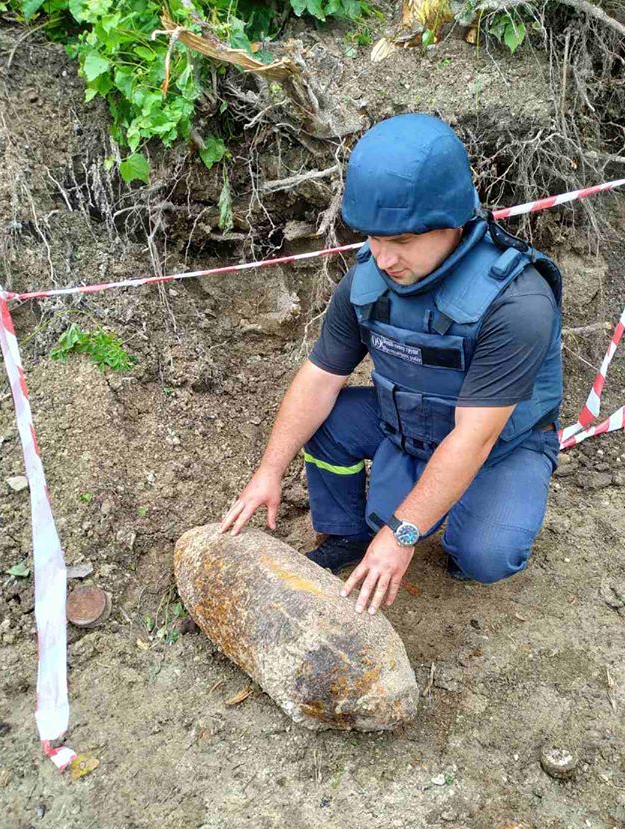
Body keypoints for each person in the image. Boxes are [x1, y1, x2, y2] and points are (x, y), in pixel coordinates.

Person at [222, 114, 562, 617]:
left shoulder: (516, 302)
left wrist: (403, 533)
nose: (382, 258)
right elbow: (318, 379)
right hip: (406, 421)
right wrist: (269, 471)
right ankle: (346, 535)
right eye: (373, 238)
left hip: (500, 446)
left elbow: (474, 437)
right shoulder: (368, 279)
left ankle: (459, 530)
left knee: (487, 554)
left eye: (400, 242)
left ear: (453, 222)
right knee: (326, 424)